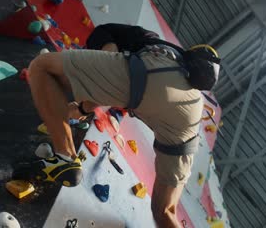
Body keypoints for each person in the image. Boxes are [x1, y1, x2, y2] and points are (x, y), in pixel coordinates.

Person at [16, 23, 217, 227]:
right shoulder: (185, 75)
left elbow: (112, 75)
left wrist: (106, 59)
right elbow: (110, 86)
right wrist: (82, 109)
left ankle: (65, 157)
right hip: (189, 113)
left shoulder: (122, 35)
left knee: (42, 66)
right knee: (164, 210)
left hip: (153, 73)